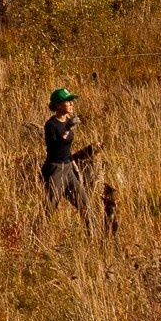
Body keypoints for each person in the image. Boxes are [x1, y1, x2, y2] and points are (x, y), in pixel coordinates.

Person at [40, 87, 94, 227]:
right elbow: (55, 146)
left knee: (85, 204)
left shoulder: (68, 121)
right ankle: (36, 237)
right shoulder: (51, 125)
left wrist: (75, 168)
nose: (71, 104)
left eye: (71, 101)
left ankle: (95, 238)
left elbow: (66, 148)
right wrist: (67, 128)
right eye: (68, 101)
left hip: (68, 168)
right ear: (58, 105)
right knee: (50, 207)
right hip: (55, 169)